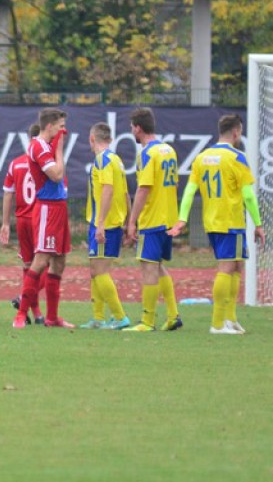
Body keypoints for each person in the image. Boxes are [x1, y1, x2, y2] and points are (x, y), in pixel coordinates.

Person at [168, 114, 265, 334]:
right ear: (236, 132)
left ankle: (230, 319)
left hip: (212, 221)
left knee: (237, 265)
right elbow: (248, 195)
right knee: (227, 267)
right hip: (230, 220)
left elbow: (190, 190)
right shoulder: (237, 157)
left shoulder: (202, 157)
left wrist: (182, 218)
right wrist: (258, 224)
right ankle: (218, 323)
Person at [13, 108, 74, 329]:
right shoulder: (39, 146)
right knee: (41, 260)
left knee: (59, 262)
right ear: (49, 126)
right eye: (60, 126)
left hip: (60, 207)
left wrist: (57, 148)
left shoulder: (47, 145)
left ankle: (52, 317)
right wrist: (59, 149)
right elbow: (56, 175)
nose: (63, 130)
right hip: (47, 208)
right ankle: (20, 314)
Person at [123, 107, 182, 332]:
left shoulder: (147, 153)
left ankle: (147, 321)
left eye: (131, 127)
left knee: (148, 268)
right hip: (168, 218)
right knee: (158, 266)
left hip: (152, 218)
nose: (131, 131)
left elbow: (143, 188)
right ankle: (173, 315)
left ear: (138, 128)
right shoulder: (168, 150)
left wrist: (132, 221)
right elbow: (174, 184)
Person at [79, 122, 132, 330]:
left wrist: (100, 224)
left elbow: (108, 190)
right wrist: (129, 221)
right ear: (109, 139)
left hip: (105, 223)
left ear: (92, 139)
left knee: (100, 270)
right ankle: (98, 318)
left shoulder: (102, 160)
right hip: (111, 221)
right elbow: (126, 192)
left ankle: (120, 317)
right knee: (95, 269)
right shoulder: (116, 160)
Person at [0, 123, 46, 325]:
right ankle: (23, 298)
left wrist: (5, 223)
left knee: (29, 266)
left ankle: (35, 313)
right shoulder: (46, 164)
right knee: (47, 264)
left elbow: (8, 194)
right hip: (40, 219)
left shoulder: (15, 163)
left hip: (22, 220)